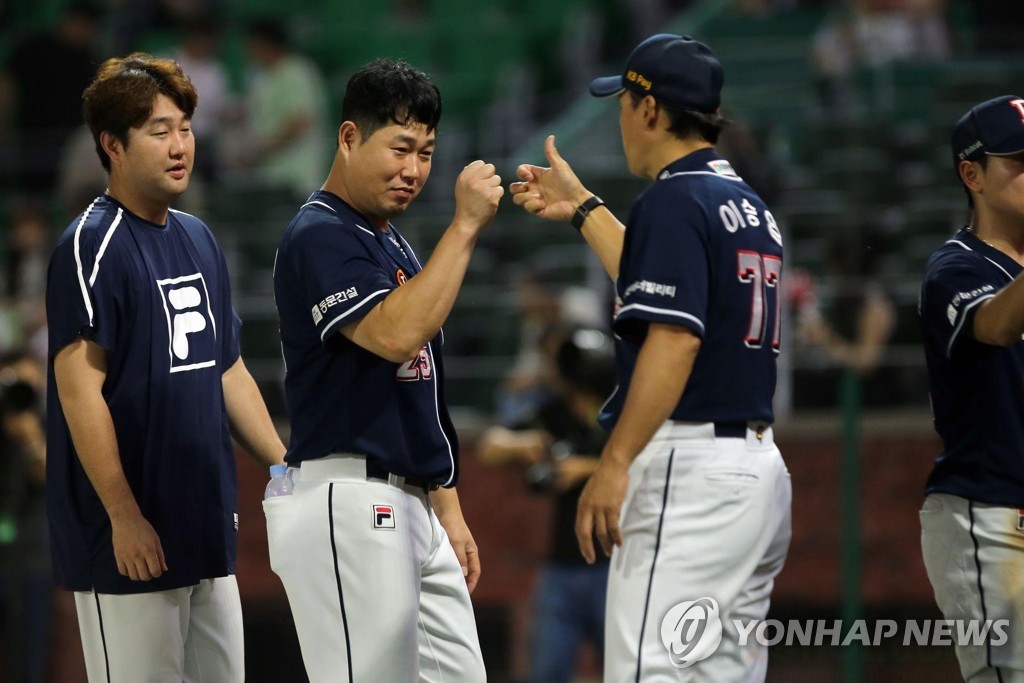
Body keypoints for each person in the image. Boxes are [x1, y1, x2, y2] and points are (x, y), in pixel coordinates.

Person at [510, 34, 792, 681]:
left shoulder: (672, 199)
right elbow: (661, 284)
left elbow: (674, 338)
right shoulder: (745, 203)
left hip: (690, 471)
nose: (620, 117)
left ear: (650, 109)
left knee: (649, 670)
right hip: (754, 470)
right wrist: (583, 207)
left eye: (624, 101)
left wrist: (614, 463)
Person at [45, 53, 286, 683]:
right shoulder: (88, 245)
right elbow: (79, 392)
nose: (180, 146)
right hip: (126, 542)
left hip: (204, 528)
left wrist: (285, 466)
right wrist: (124, 517)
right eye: (159, 131)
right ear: (112, 146)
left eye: (184, 127)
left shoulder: (199, 237)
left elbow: (227, 370)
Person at [268, 58, 502, 682]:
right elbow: (396, 336)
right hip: (348, 495)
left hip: (409, 499)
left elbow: (416, 392)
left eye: (426, 152)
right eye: (399, 147)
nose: (414, 170)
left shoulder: (389, 240)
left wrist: (446, 506)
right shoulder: (318, 233)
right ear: (349, 138)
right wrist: (467, 224)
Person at [919, 94, 1024, 682]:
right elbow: (997, 324)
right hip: (991, 520)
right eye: (1021, 159)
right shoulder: (955, 267)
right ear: (971, 173)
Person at [478, 327, 613, 683]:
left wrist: (583, 469)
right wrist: (523, 446)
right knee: (546, 671)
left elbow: (649, 463)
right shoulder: (554, 414)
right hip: (563, 564)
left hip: (617, 564)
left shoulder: (621, 412)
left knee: (626, 669)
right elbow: (491, 445)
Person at [0, 350, 51, 683]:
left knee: (30, 658)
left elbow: (48, 475)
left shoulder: (47, 425)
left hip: (32, 560)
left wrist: (31, 436)